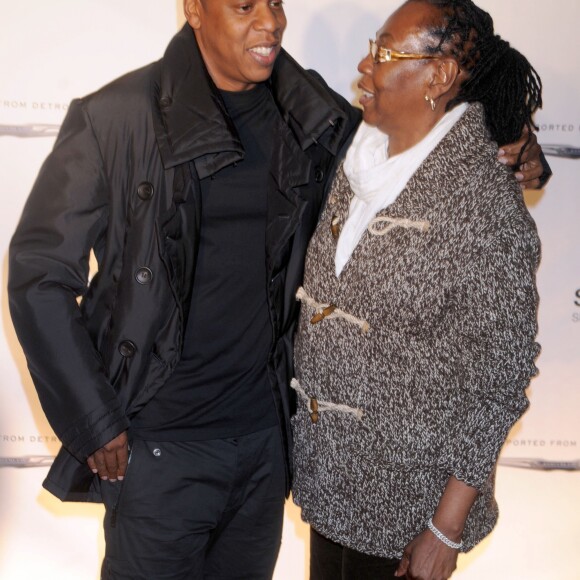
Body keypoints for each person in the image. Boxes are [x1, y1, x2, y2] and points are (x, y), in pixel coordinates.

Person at [8, 1, 546, 579]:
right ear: (194, 8)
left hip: (267, 452)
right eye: (244, 5)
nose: (270, 21)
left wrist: (516, 142)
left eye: (276, 1)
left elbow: (423, 131)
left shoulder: (313, 116)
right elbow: (39, 274)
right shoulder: (115, 117)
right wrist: (93, 419)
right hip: (158, 452)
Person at [291, 1, 543, 579]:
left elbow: (501, 379)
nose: (365, 64)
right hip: (334, 491)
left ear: (438, 76)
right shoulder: (361, 160)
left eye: (384, 52)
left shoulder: (483, 202)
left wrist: (444, 529)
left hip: (410, 518)